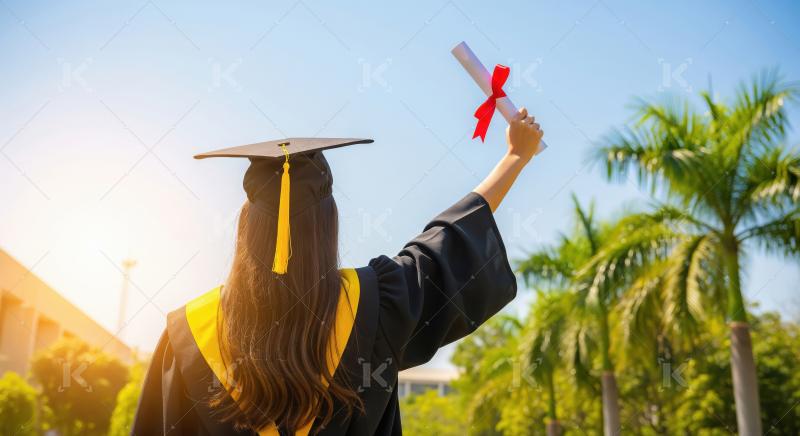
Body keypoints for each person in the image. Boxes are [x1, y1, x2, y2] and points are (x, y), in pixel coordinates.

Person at [132, 108, 544, 435]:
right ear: (327, 225)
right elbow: (445, 245)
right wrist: (515, 157)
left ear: (246, 231)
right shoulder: (376, 305)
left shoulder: (188, 334)